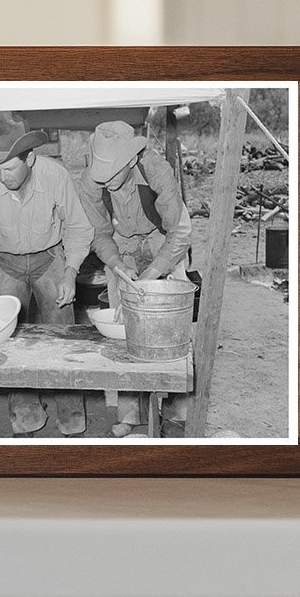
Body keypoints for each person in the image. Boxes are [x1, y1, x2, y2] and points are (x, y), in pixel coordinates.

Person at [0, 112, 95, 437]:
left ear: (30, 157)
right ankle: (26, 413)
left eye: (8, 168)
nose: (1, 176)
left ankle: (70, 415)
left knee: (62, 338)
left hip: (50, 259)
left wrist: (71, 272)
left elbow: (77, 227)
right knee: (9, 341)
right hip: (5, 263)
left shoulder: (56, 177)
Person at [78, 121, 193, 438]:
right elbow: (99, 236)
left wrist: (154, 273)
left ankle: (176, 412)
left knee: (172, 322)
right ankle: (129, 414)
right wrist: (116, 265)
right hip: (122, 242)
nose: (105, 182)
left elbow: (179, 231)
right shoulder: (91, 182)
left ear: (131, 161)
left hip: (160, 238)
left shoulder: (155, 169)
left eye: (113, 174)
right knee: (123, 326)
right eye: (101, 175)